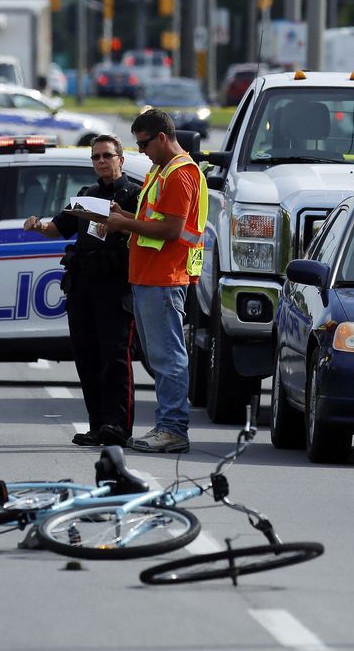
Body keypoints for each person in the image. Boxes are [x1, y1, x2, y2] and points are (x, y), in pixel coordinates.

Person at [24, 134, 141, 447]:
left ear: (121, 159)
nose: (101, 161)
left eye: (107, 155)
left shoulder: (134, 194)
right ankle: (97, 426)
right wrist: (38, 225)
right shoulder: (86, 195)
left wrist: (121, 220)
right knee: (87, 357)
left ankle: (118, 427)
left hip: (115, 284)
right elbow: (58, 228)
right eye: (96, 157)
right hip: (83, 283)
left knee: (114, 357)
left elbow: (148, 230)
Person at [104, 109, 207, 453]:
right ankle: (167, 426)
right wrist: (123, 217)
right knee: (160, 358)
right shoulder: (162, 170)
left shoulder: (179, 173)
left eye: (144, 144)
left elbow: (172, 229)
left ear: (162, 137)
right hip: (152, 276)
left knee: (168, 358)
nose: (142, 151)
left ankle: (173, 429)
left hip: (164, 278)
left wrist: (124, 224)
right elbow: (153, 221)